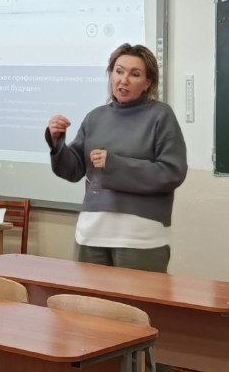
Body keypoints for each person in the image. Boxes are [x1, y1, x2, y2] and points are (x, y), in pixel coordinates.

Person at [45, 43, 187, 272]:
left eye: (135, 74)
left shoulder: (160, 115)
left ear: (148, 83)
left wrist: (114, 165)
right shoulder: (95, 117)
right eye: (119, 71)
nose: (124, 80)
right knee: (87, 296)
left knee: (137, 297)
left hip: (140, 238)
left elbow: (172, 172)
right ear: (111, 75)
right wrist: (56, 141)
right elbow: (72, 170)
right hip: (91, 233)